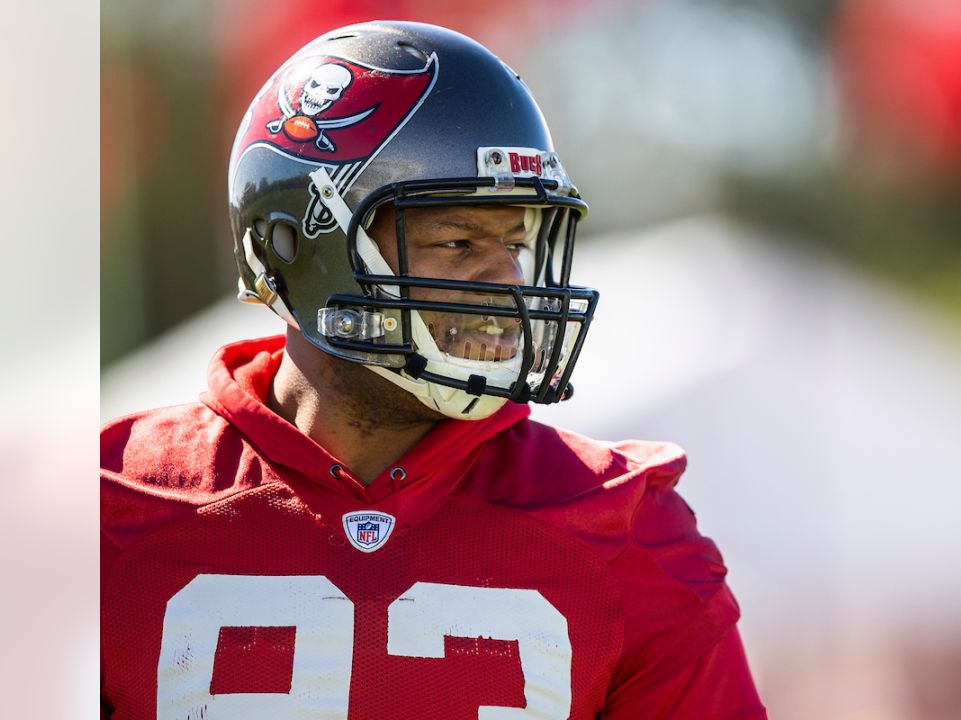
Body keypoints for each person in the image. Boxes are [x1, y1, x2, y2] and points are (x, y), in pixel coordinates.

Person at [100, 20, 766, 720]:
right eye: (457, 239)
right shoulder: (102, 512)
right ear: (297, 247)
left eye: (517, 243)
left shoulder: (629, 531)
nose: (506, 285)